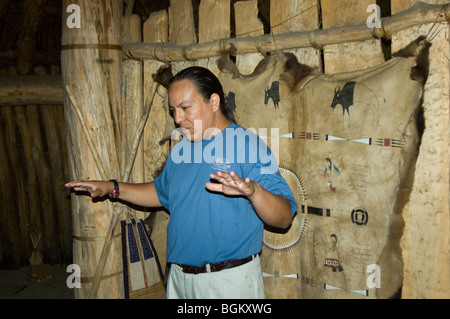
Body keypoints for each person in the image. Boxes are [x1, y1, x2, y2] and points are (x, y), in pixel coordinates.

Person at [65, 66, 297, 299]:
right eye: (173, 110)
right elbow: (160, 192)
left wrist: (253, 191)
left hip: (227, 283)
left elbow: (284, 217)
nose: (177, 119)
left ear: (214, 102)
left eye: (186, 108)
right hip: (179, 280)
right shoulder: (182, 149)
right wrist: (112, 187)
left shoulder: (247, 145)